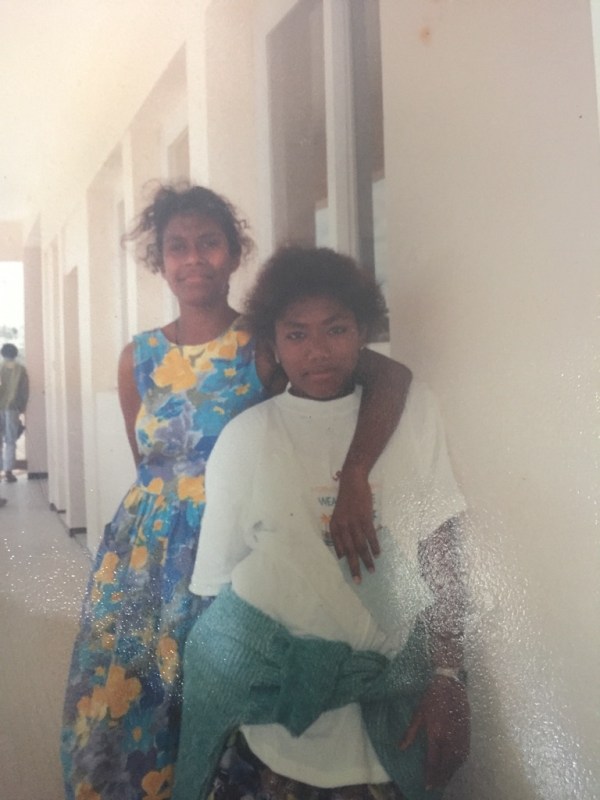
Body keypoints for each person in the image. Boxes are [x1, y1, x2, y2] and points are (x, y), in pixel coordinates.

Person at [60, 185, 412, 800]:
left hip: (235, 552)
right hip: (145, 559)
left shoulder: (267, 342)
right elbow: (147, 465)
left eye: (209, 243)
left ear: (233, 253)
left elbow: (390, 377)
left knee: (226, 697)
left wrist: (355, 473)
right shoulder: (137, 357)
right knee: (138, 696)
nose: (193, 258)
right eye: (177, 247)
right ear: (160, 260)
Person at [173, 246, 470, 800]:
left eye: (336, 329)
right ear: (272, 344)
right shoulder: (246, 438)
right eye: (296, 334)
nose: (318, 351)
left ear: (363, 332)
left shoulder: (414, 412)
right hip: (288, 727)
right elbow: (218, 590)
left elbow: (440, 541)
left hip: (396, 706)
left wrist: (449, 677)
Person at [0, 342, 29, 483]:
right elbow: (24, 391)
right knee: (10, 440)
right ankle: (8, 472)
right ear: (15, 354)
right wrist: (21, 407)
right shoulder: (21, 370)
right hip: (12, 408)